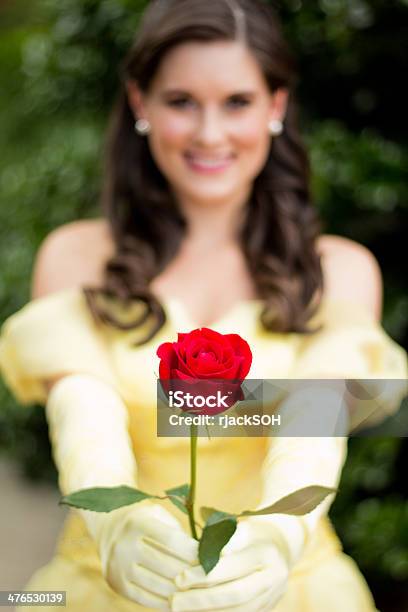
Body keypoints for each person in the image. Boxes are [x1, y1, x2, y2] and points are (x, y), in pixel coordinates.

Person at [0, 0, 406, 610]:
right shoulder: (76, 258)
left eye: (237, 102)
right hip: (106, 586)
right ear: (141, 104)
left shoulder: (339, 273)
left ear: (276, 105)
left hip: (289, 587)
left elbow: (314, 428)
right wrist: (117, 527)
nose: (209, 134)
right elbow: (86, 422)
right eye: (181, 101)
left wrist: (278, 534)